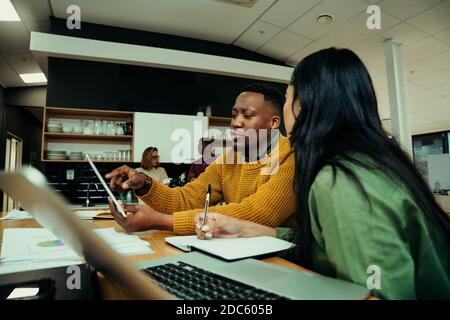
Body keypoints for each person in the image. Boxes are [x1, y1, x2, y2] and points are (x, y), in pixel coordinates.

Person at [194, 48, 450, 300]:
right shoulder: (369, 163)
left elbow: (376, 294)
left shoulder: (342, 182)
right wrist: (243, 229)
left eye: (286, 98)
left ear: (303, 106)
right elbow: (325, 243)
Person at [106, 84, 296, 236]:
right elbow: (186, 199)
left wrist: (160, 221)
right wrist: (145, 184)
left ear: (273, 123)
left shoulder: (291, 155)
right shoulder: (229, 158)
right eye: (234, 114)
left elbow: (258, 215)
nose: (235, 122)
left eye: (247, 115)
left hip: (283, 264)